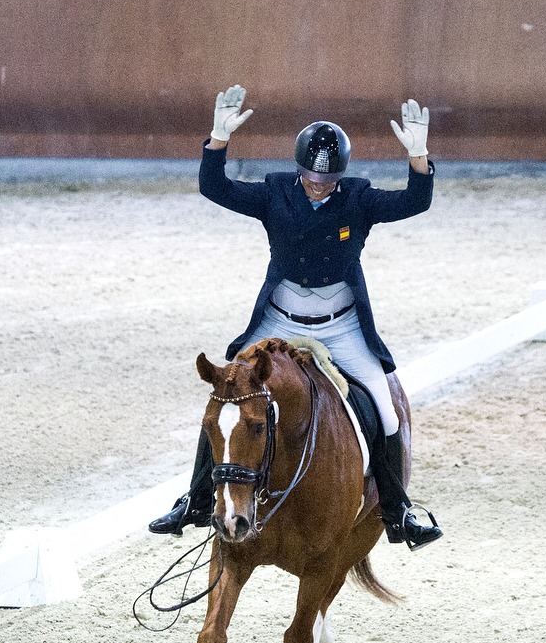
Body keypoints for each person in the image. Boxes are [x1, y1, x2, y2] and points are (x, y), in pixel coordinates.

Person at [149, 85, 442, 550]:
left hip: (341, 322)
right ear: (298, 168)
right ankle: (197, 499)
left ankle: (397, 510)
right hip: (280, 320)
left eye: (327, 180)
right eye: (310, 177)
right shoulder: (275, 192)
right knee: (228, 392)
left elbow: (414, 202)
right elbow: (214, 187)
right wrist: (217, 141)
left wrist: (420, 158)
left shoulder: (358, 198)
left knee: (385, 410)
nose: (318, 185)